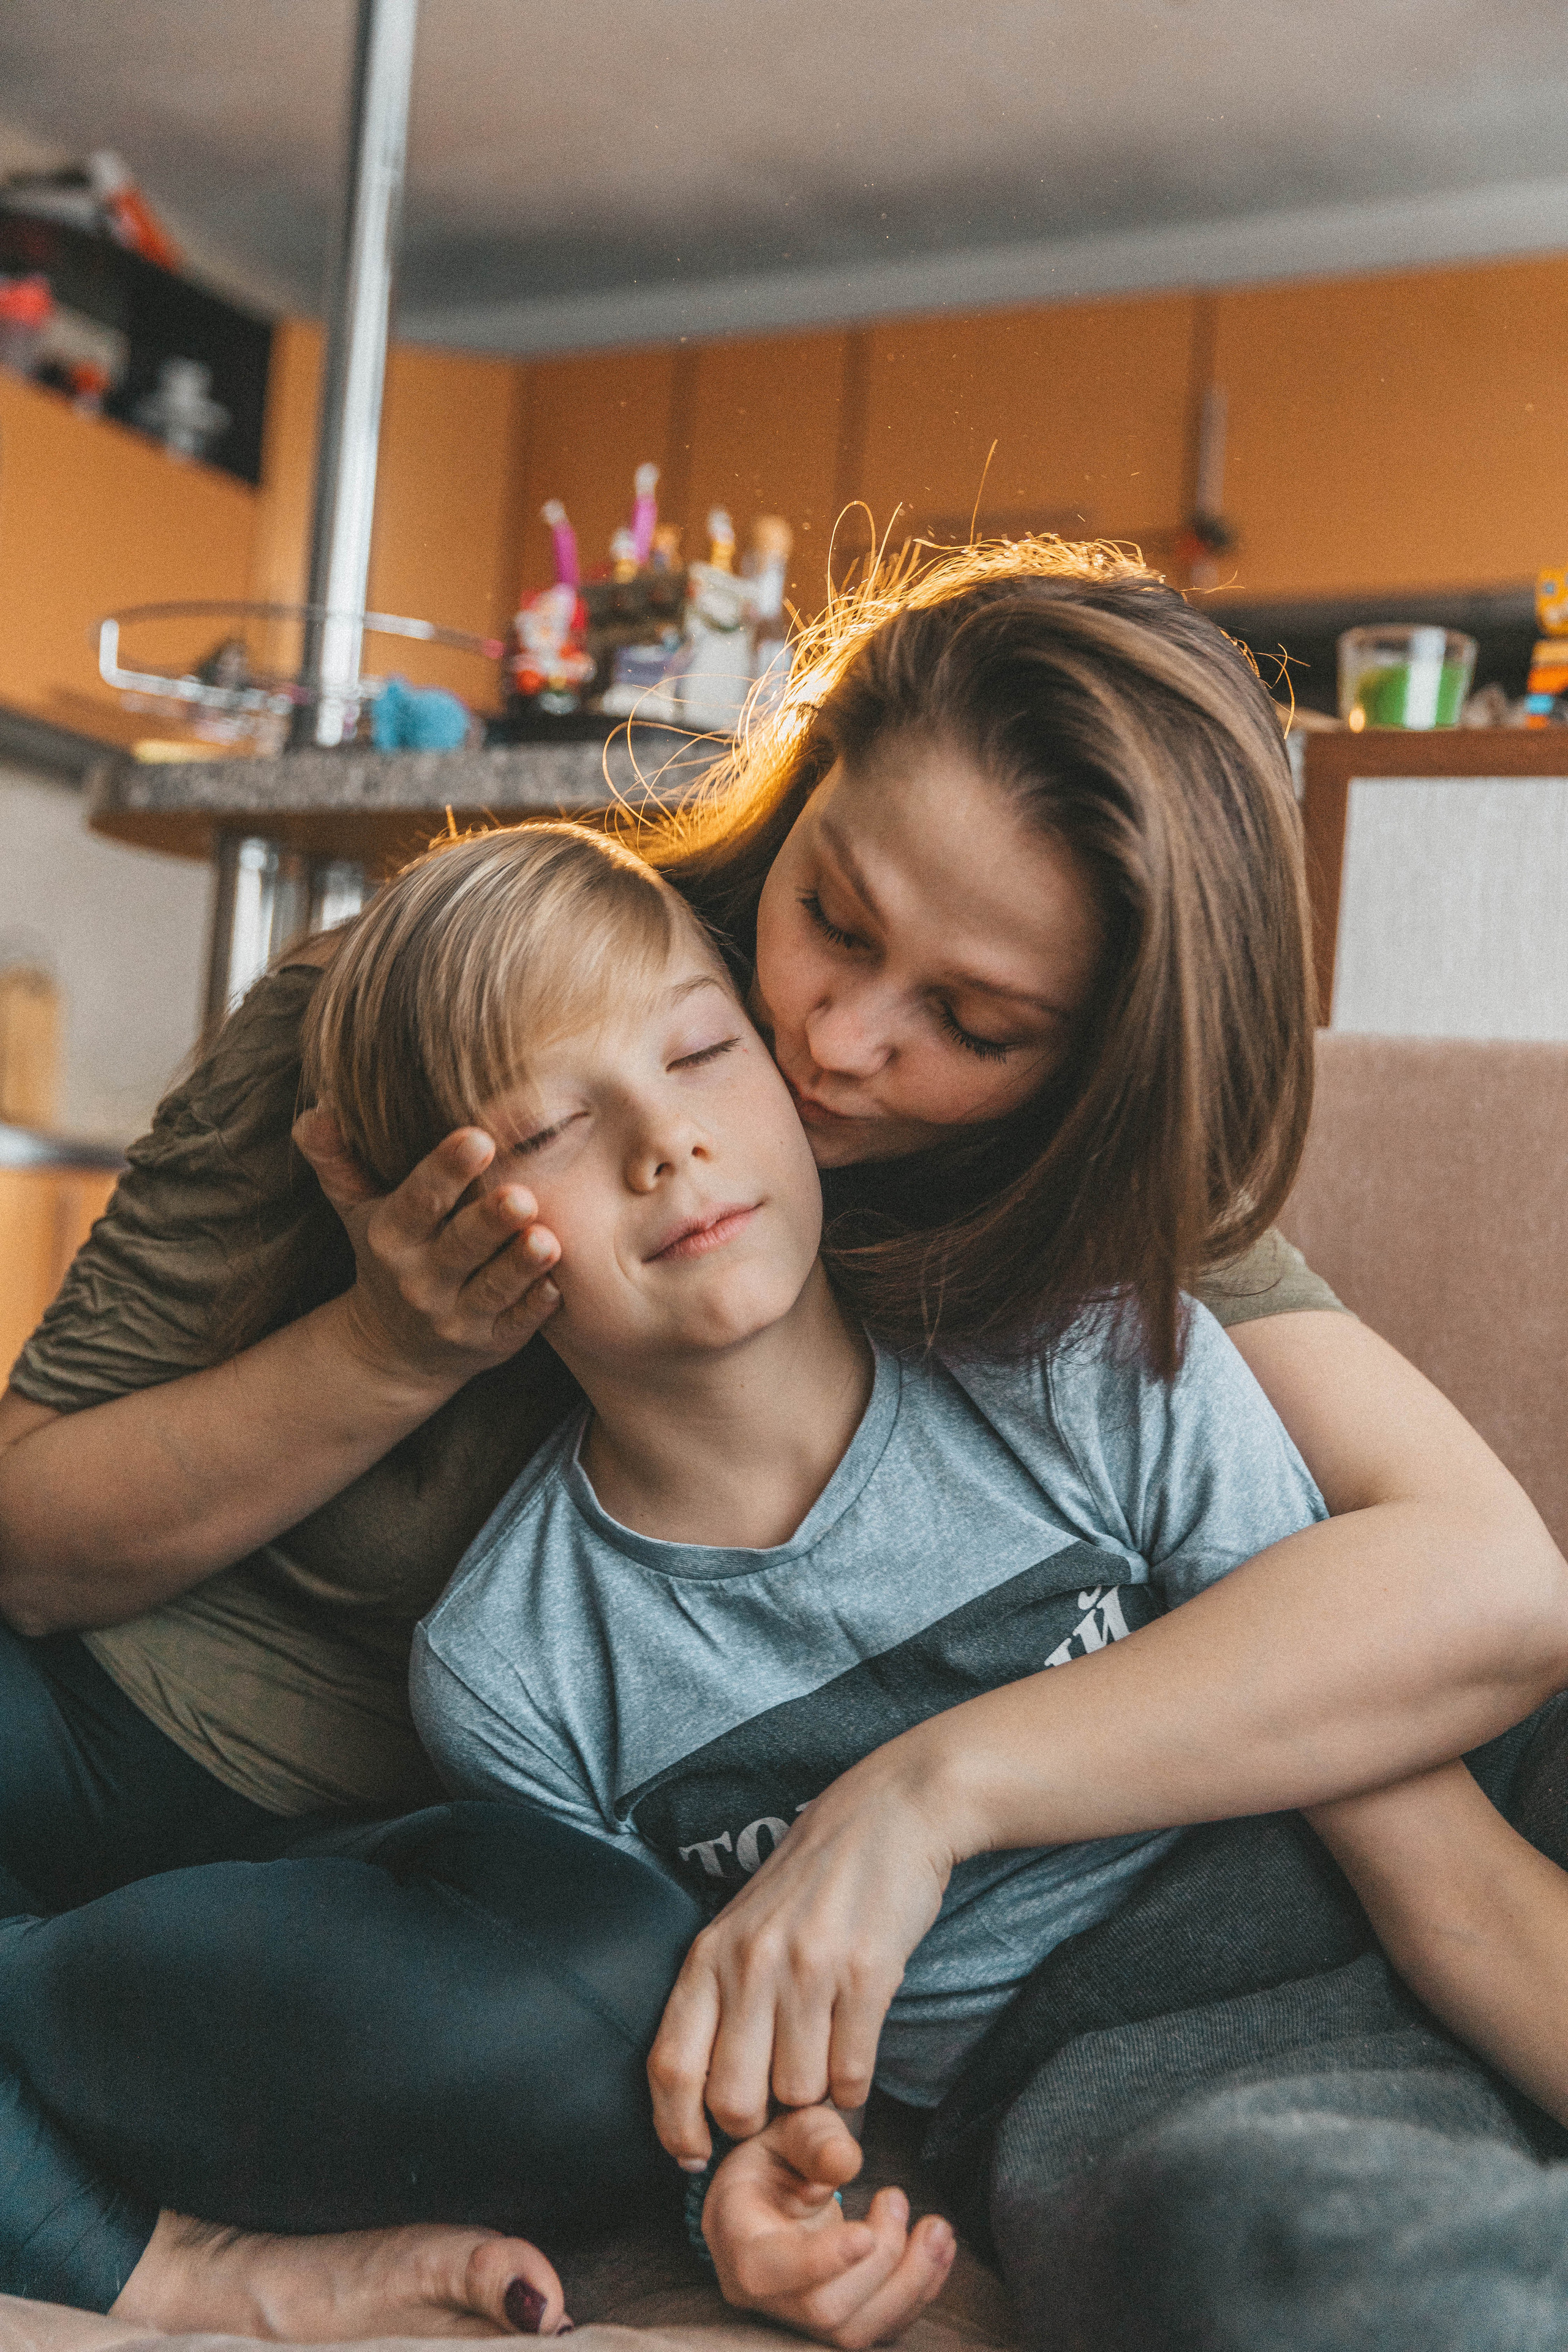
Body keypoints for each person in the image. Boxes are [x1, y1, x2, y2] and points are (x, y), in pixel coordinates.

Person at [0, 549, 1564, 2337]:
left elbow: (1474, 1597)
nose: (834, 1040)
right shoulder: (434, 1018)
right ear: (801, 785)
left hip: (1153, 1907)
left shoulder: (1088, 1326)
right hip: (180, 1751)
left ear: (1080, 1075)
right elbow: (33, 1539)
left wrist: (933, 1791)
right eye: (830, 918)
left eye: (971, 1027)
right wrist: (391, 1346)